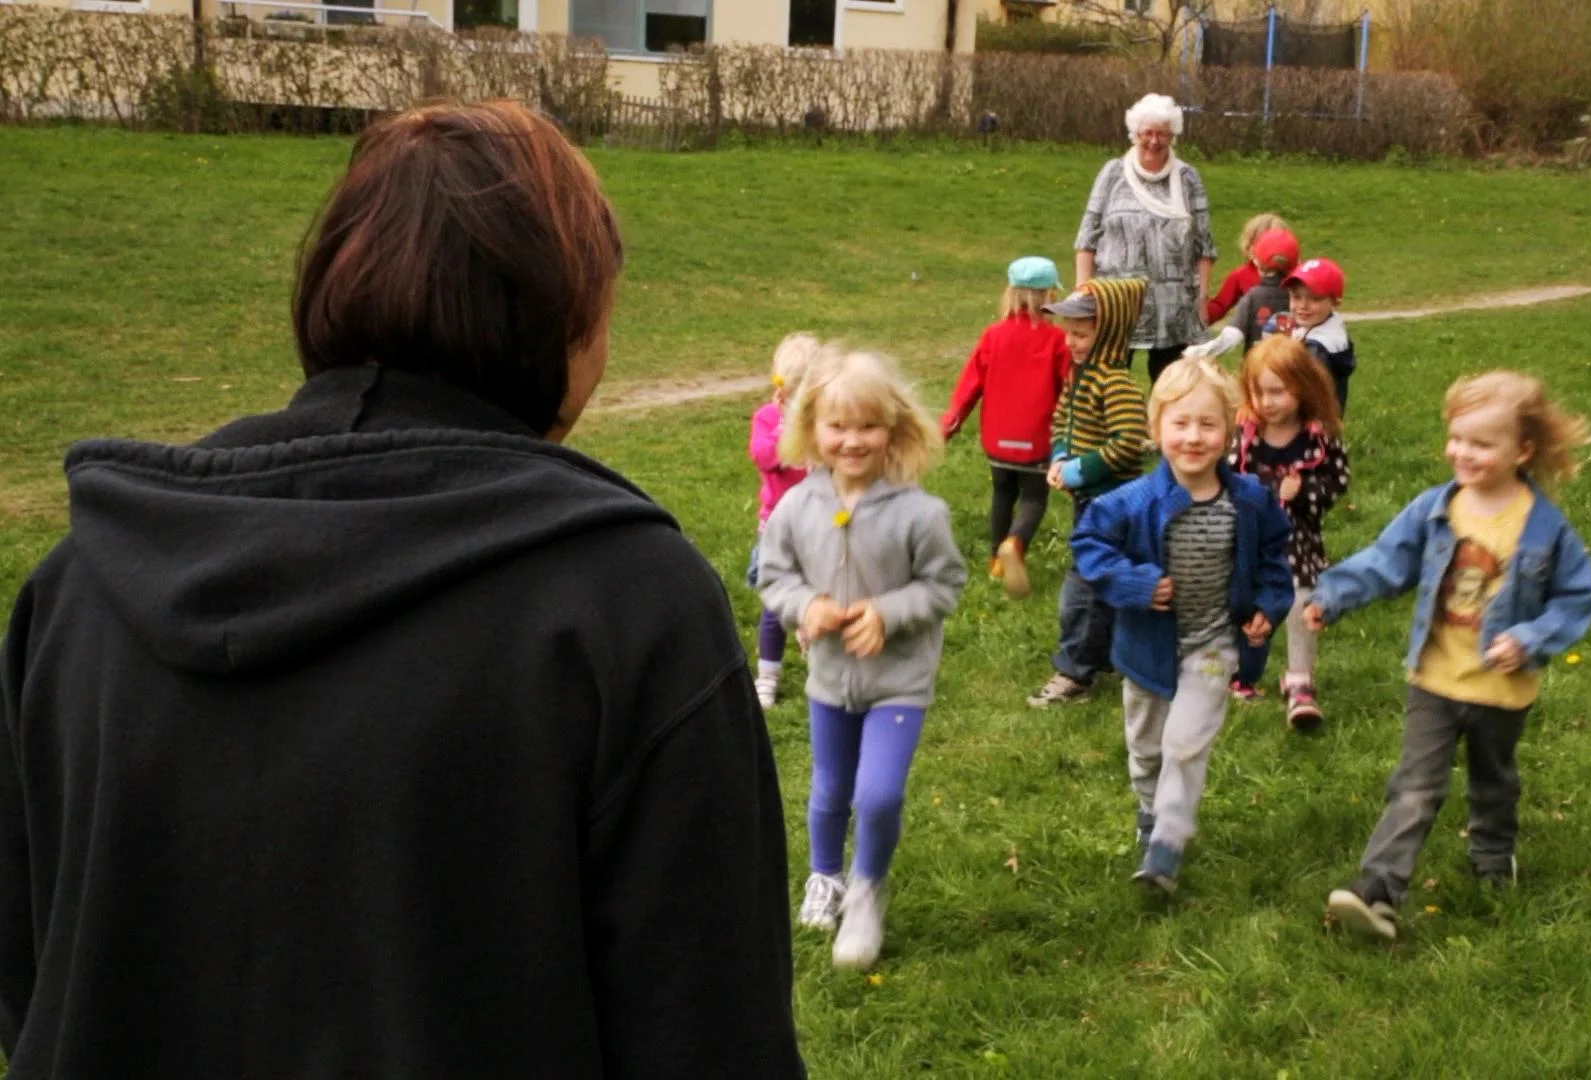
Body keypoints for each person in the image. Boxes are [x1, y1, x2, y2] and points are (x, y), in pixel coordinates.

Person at [0, 101, 803, 1077]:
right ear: (568, 316)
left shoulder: (77, 588)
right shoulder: (630, 609)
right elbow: (713, 1031)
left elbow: (31, 979)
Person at [1306, 370, 1591, 942]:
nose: (1462, 452)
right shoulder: (1435, 510)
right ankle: (1378, 891)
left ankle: (1492, 859)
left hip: (1501, 687)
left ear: (1523, 451)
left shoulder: (1544, 529)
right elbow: (1385, 561)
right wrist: (1333, 595)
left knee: (1494, 780)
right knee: (1415, 786)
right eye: (1457, 437)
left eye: (1482, 443)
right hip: (1435, 679)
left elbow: (1576, 597)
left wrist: (1531, 638)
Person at [757, 349, 967, 971]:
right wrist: (806, 606)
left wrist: (887, 613)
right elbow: (771, 576)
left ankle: (867, 888)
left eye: (869, 426)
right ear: (811, 428)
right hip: (829, 679)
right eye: (838, 426)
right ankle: (825, 876)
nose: (853, 441)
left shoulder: (919, 513)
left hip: (898, 681)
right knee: (829, 789)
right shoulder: (796, 508)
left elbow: (944, 583)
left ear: (893, 429)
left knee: (876, 795)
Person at [1070, 358, 1293, 893]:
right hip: (1146, 647)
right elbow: (1088, 547)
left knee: (1185, 742)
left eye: (1208, 424)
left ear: (1231, 429)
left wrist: (1268, 607)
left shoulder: (1250, 500)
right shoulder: (1130, 502)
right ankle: (1151, 815)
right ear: (1156, 428)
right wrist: (1135, 584)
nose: (1194, 437)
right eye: (1181, 423)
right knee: (1148, 747)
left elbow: (1274, 558)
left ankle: (1167, 843)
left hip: (1213, 646)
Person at [1024, 279, 1150, 708]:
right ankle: (1111, 654)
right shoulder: (1081, 376)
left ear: (1109, 331)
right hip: (1088, 500)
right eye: (1069, 332)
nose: (1071, 341)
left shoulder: (1115, 383)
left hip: (1111, 503)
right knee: (1104, 579)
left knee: (1084, 587)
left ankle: (1075, 672)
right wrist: (1060, 456)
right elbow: (1063, 419)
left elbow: (1128, 441)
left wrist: (1079, 470)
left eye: (1081, 333)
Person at [1228, 336, 1350, 729]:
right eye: (1258, 392)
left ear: (1302, 387)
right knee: (1243, 601)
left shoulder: (1318, 437)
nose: (1267, 402)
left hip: (1298, 536)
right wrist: (1265, 491)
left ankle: (1299, 679)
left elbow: (1337, 482)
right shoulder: (1245, 435)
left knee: (1300, 601)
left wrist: (1304, 492)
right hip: (1248, 536)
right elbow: (1227, 480)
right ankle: (1238, 672)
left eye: (1278, 391)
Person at [941, 256, 1073, 600]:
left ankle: (994, 561)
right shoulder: (1058, 340)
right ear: (1049, 296)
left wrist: (950, 423)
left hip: (997, 440)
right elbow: (1070, 388)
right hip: (1036, 440)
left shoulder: (993, 336)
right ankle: (1015, 544)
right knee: (1033, 498)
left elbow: (970, 384)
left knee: (1002, 494)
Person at [1073, 93, 1218, 385]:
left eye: (1162, 134)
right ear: (1135, 133)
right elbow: (1087, 237)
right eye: (1147, 133)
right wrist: (1083, 291)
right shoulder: (1112, 173)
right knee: (1106, 380)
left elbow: (1204, 245)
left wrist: (1202, 297)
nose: (1154, 141)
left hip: (1173, 306)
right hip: (1116, 300)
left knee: (1174, 386)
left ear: (1172, 136)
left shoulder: (1187, 178)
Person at [750, 331, 823, 708]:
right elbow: (764, 456)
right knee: (776, 604)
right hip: (778, 528)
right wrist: (787, 430)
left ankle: (820, 659)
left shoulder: (824, 419)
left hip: (819, 526)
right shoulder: (767, 418)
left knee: (819, 595)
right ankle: (768, 675)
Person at [1285, 256, 1357, 411]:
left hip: (1312, 421)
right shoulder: (1329, 323)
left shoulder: (1317, 350)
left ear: (1335, 301)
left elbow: (1303, 395)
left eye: (1314, 299)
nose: (1303, 305)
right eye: (1296, 297)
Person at [1225, 228, 1303, 355]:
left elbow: (1232, 336)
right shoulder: (1304, 296)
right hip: (1293, 364)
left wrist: (1197, 352)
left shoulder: (1253, 296)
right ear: (1297, 261)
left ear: (1257, 261)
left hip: (1258, 364)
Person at [1204, 211, 1291, 325]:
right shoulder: (1240, 276)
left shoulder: (1296, 273)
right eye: (1256, 244)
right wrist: (1199, 306)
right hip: (1254, 334)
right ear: (1249, 247)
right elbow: (1220, 306)